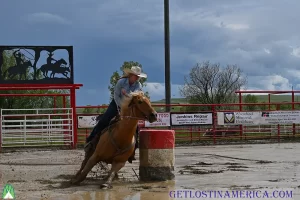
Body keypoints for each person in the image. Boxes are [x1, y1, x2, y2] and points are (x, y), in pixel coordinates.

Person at [84, 66, 147, 163]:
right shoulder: (121, 82)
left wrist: (127, 96)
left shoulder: (138, 85)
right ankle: (91, 140)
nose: (137, 78)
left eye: (138, 76)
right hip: (116, 104)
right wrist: (121, 106)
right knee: (105, 119)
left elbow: (137, 96)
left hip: (129, 107)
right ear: (131, 75)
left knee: (135, 128)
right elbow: (116, 96)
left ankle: (132, 150)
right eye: (136, 76)